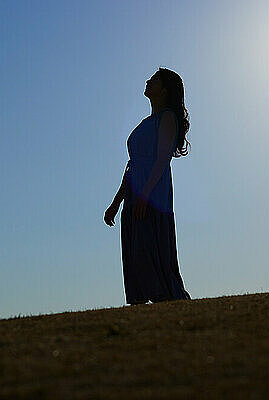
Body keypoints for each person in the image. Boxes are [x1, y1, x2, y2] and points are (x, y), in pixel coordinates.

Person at [104, 67, 192, 305]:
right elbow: (132, 166)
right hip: (136, 194)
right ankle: (142, 308)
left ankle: (169, 301)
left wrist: (146, 195)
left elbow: (162, 159)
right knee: (135, 254)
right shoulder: (146, 122)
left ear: (164, 89)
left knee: (152, 252)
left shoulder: (167, 118)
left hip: (153, 195)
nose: (148, 81)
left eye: (154, 79)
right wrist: (116, 201)